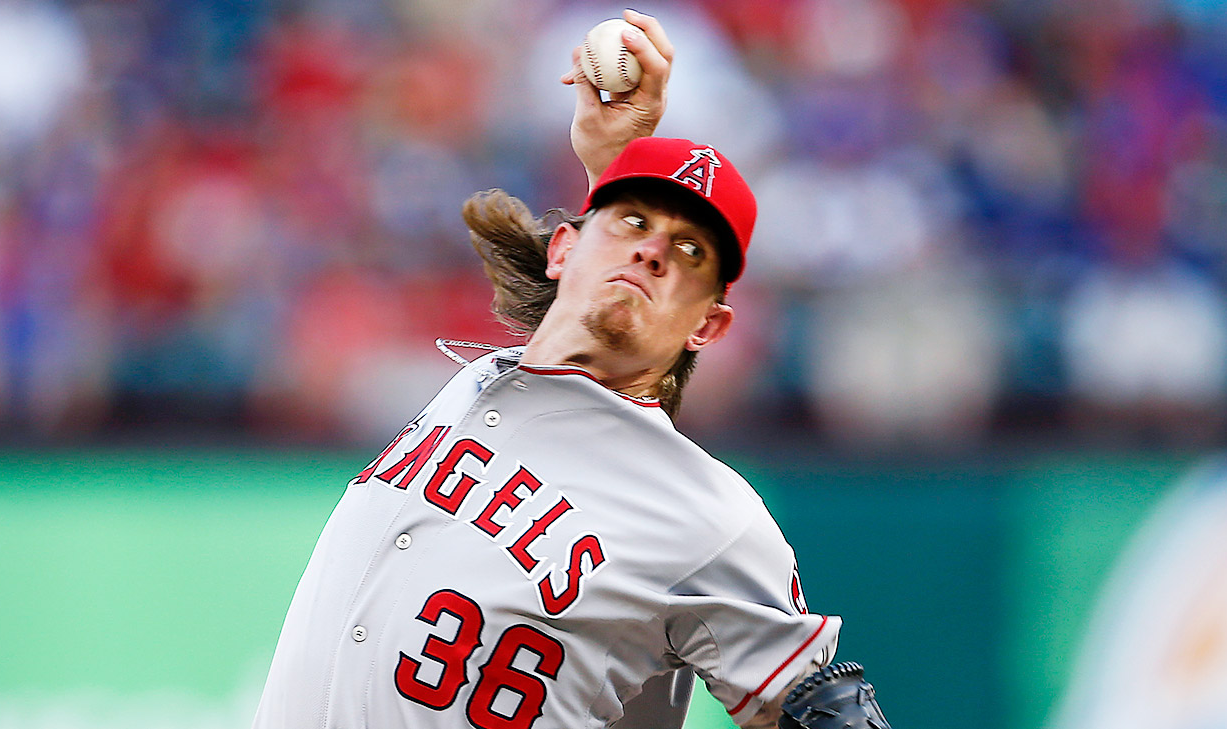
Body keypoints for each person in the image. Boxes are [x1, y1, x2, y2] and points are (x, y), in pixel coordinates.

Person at [253, 10, 853, 728]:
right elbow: (574, 348)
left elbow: (828, 713)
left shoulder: (711, 517)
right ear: (563, 249)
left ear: (708, 325)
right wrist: (615, 159)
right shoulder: (472, 383)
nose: (653, 250)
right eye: (632, 222)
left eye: (692, 253)